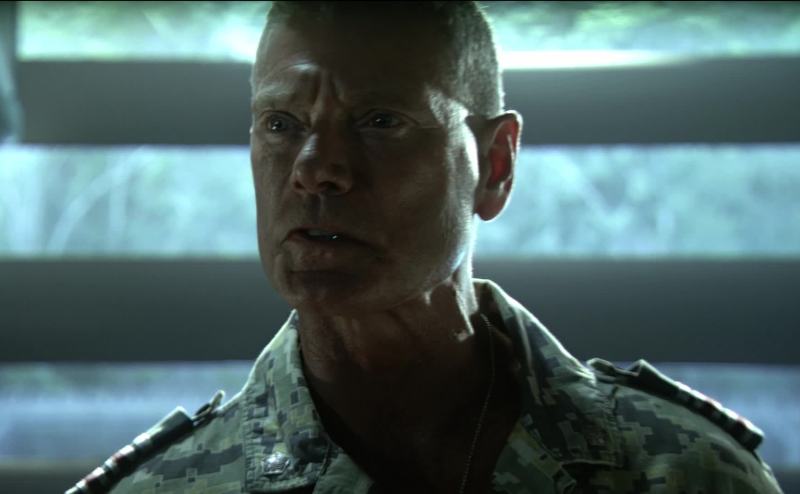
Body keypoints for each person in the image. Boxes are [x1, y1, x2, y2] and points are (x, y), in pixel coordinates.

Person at [68, 2, 783, 493]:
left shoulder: (678, 472)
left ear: (495, 165)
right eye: (281, 124)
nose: (317, 168)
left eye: (380, 121)